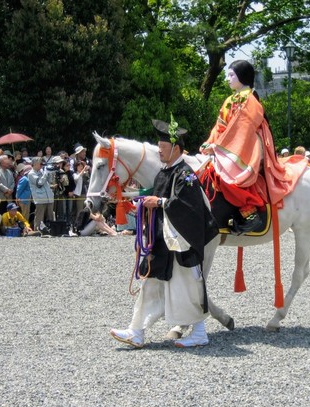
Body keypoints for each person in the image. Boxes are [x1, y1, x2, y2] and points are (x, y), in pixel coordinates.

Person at [110, 119, 219, 348]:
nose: (159, 149)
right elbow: (158, 204)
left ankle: (199, 333)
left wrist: (159, 201)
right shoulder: (165, 172)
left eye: (163, 146)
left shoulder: (185, 174)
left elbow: (189, 208)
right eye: (158, 145)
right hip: (162, 242)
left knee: (188, 288)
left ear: (176, 149)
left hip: (181, 244)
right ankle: (136, 331)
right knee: (150, 286)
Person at [199, 60, 294, 232]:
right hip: (230, 144)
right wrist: (211, 141)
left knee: (227, 176)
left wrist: (218, 146)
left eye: (231, 75)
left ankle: (251, 212)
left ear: (242, 76)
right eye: (227, 75)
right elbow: (220, 125)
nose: (227, 79)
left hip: (248, 143)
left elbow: (242, 127)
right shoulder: (230, 99)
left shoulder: (250, 99)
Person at [28, 157, 55, 230]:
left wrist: (50, 173)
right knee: (39, 216)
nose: (41, 165)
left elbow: (48, 182)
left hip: (49, 197)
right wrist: (46, 173)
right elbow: (39, 184)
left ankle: (51, 229)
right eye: (40, 163)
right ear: (34, 164)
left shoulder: (42, 171)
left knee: (50, 216)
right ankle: (37, 230)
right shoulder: (31, 174)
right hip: (40, 198)